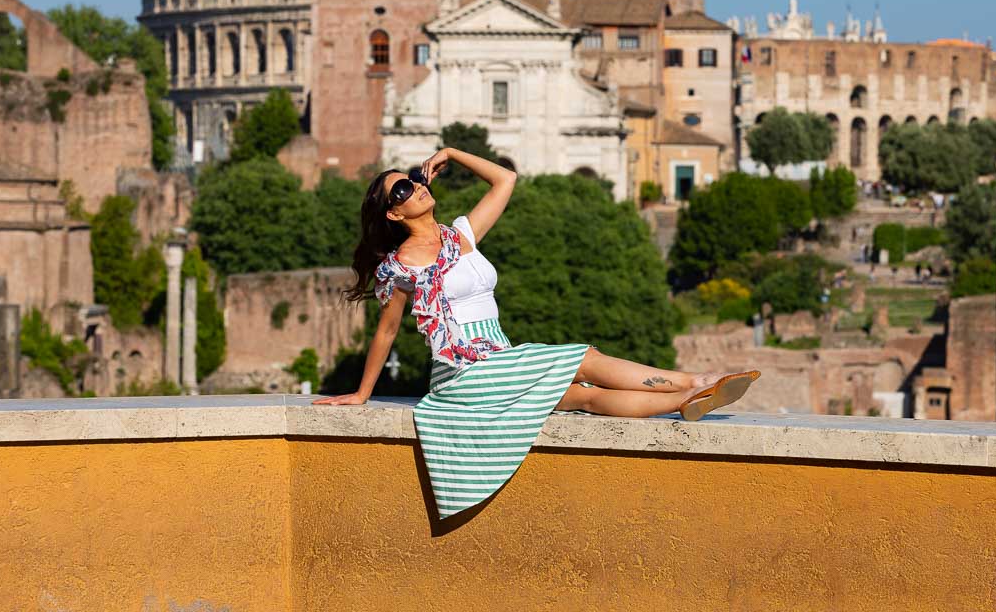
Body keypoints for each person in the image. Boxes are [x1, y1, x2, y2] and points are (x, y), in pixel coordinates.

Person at [313, 147, 760, 518]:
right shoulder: (398, 268)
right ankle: (696, 381)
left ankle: (685, 402)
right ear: (393, 212)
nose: (417, 187)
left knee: (583, 396)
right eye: (404, 188)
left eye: (414, 178)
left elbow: (505, 179)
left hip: (499, 356)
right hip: (465, 373)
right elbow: (386, 333)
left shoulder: (462, 237)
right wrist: (361, 393)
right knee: (581, 357)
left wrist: (450, 152)